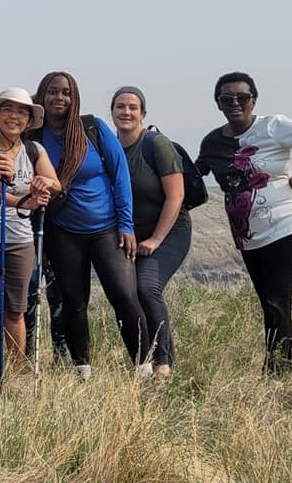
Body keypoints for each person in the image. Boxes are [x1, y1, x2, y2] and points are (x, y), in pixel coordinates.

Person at [196, 72, 292, 374]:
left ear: (253, 100)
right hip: (248, 233)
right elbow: (195, 175)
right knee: (269, 300)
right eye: (227, 99)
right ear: (218, 104)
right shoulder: (212, 142)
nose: (235, 103)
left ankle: (277, 369)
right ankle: (287, 362)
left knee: (276, 296)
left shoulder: (273, 126)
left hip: (288, 222)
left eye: (242, 98)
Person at [28, 71, 149, 380]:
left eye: (66, 92)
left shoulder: (92, 127)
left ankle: (144, 368)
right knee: (74, 300)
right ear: (42, 96)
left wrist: (126, 224)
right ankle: (83, 371)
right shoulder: (34, 139)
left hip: (106, 227)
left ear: (74, 97)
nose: (59, 97)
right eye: (52, 92)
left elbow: (119, 174)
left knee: (124, 295)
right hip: (63, 230)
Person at [0, 88, 60, 372]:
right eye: (8, 110)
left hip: (20, 239)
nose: (14, 116)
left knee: (16, 310)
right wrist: (26, 200)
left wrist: (42, 186)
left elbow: (55, 183)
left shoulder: (34, 150)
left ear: (28, 120)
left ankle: (16, 372)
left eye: (22, 112)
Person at [112, 86, 191, 379]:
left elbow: (176, 196)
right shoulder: (112, 149)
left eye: (133, 107)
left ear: (143, 113)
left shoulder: (156, 145)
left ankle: (163, 363)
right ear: (113, 112)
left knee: (147, 288)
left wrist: (156, 239)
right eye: (120, 106)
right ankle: (141, 361)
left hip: (169, 233)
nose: (126, 112)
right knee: (125, 293)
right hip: (131, 236)